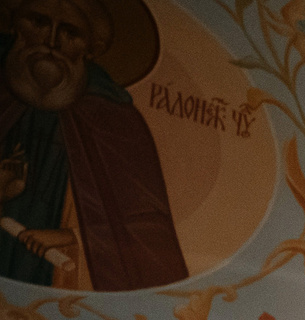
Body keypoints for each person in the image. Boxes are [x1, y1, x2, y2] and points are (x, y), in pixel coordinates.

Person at [0, 0, 189, 291]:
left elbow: (148, 235)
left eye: (70, 33)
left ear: (90, 48)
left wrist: (71, 237)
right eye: (37, 22)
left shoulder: (112, 118)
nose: (51, 42)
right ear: (13, 23)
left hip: (50, 280)